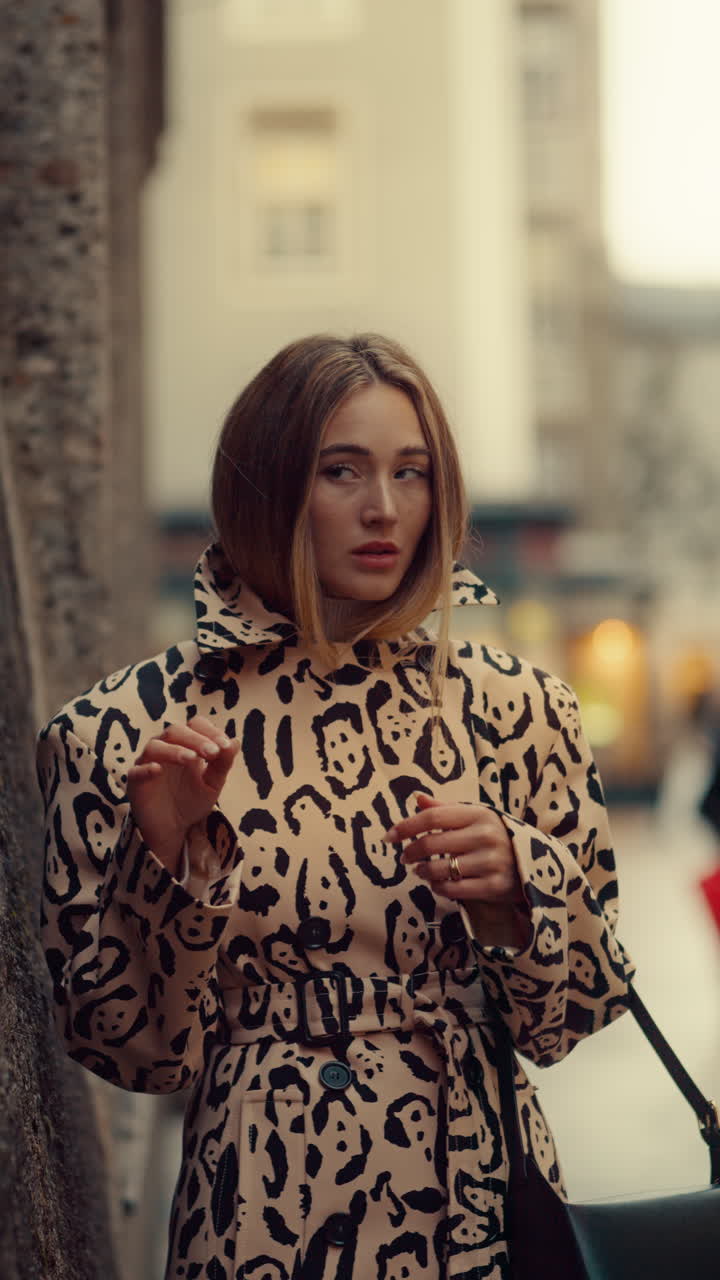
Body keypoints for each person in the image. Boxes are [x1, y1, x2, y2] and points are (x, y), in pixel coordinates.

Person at [37, 333, 632, 1279]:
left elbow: (580, 1015)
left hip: (484, 1212)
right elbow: (133, 1056)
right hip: (264, 1219)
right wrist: (171, 863)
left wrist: (522, 889)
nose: (384, 509)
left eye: (412, 472)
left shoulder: (521, 711)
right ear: (267, 486)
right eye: (340, 471)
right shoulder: (119, 732)